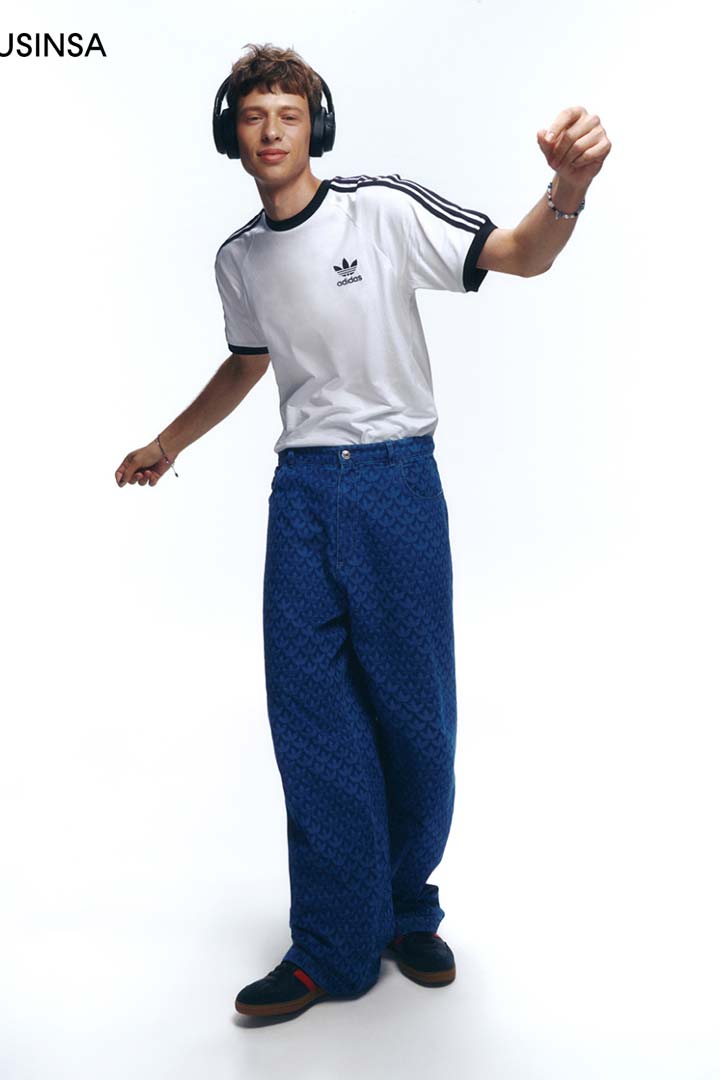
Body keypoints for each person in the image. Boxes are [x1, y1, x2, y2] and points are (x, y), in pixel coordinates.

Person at [115, 42, 611, 1019]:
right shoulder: (239, 259)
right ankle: (331, 948)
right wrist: (169, 443)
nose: (270, 131)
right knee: (311, 717)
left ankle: (404, 907)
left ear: (317, 127)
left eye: (288, 115)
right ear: (230, 133)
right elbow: (248, 363)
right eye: (253, 115)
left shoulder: (377, 212)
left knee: (414, 715)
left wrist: (568, 189)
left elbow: (520, 255)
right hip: (301, 494)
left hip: (395, 483)